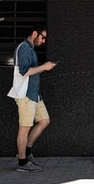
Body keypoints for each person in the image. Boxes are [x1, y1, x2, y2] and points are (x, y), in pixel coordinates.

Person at [7, 25, 57, 172]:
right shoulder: (23, 48)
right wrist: (44, 67)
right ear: (35, 34)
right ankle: (22, 162)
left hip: (34, 94)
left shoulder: (30, 49)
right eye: (42, 38)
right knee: (25, 128)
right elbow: (24, 71)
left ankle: (27, 151)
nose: (43, 41)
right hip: (25, 95)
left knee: (44, 120)